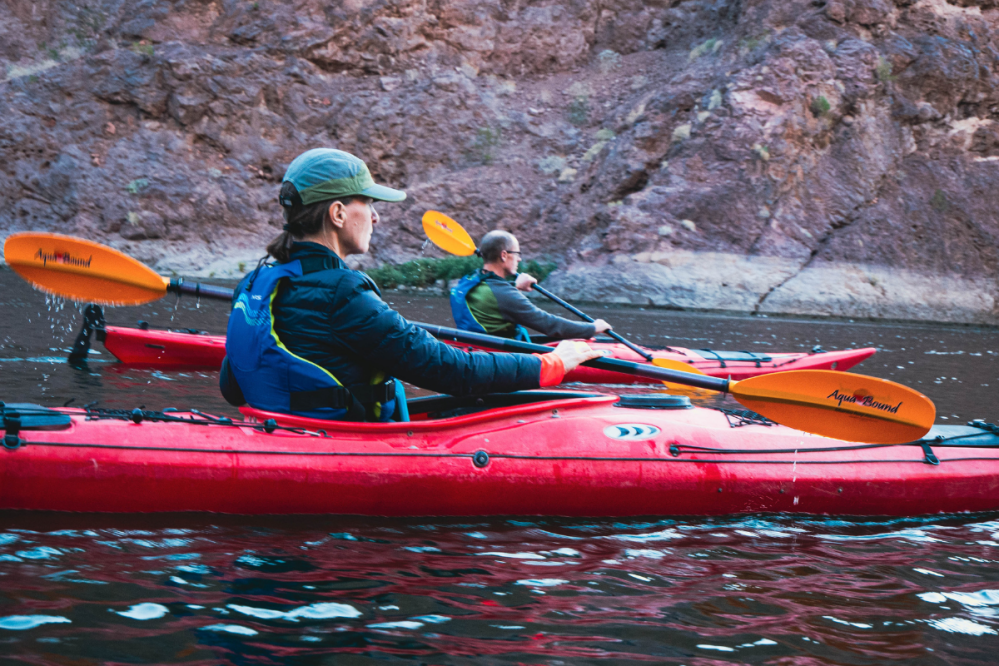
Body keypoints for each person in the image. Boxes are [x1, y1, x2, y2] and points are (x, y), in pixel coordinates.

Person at [220, 148, 603, 422]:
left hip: (282, 431)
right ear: (338, 213)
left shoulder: (254, 284)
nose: (376, 217)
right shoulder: (344, 293)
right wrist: (551, 363)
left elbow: (232, 388)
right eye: (367, 204)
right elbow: (451, 370)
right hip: (347, 446)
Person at [450, 230, 612, 341]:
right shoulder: (505, 296)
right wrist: (592, 328)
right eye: (517, 254)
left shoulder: (469, 281)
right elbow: (550, 325)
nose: (519, 259)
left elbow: (495, 296)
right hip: (501, 362)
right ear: (504, 255)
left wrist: (515, 286)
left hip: (474, 353)